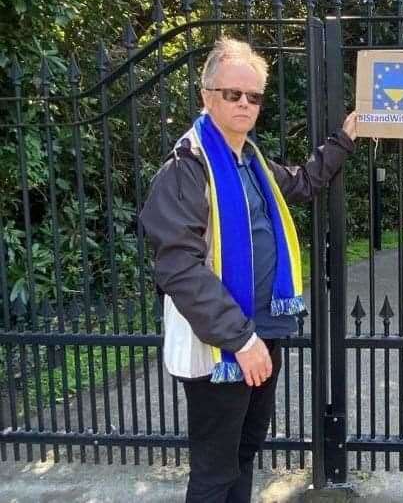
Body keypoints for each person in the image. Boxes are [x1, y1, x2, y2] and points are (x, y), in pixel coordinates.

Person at [139, 37, 356, 502]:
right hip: (221, 345)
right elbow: (179, 267)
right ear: (206, 95)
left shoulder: (250, 161)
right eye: (232, 93)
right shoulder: (187, 167)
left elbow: (301, 182)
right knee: (216, 470)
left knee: (245, 450)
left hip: (262, 334)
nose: (244, 103)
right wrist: (240, 339)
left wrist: (345, 138)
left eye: (253, 96)